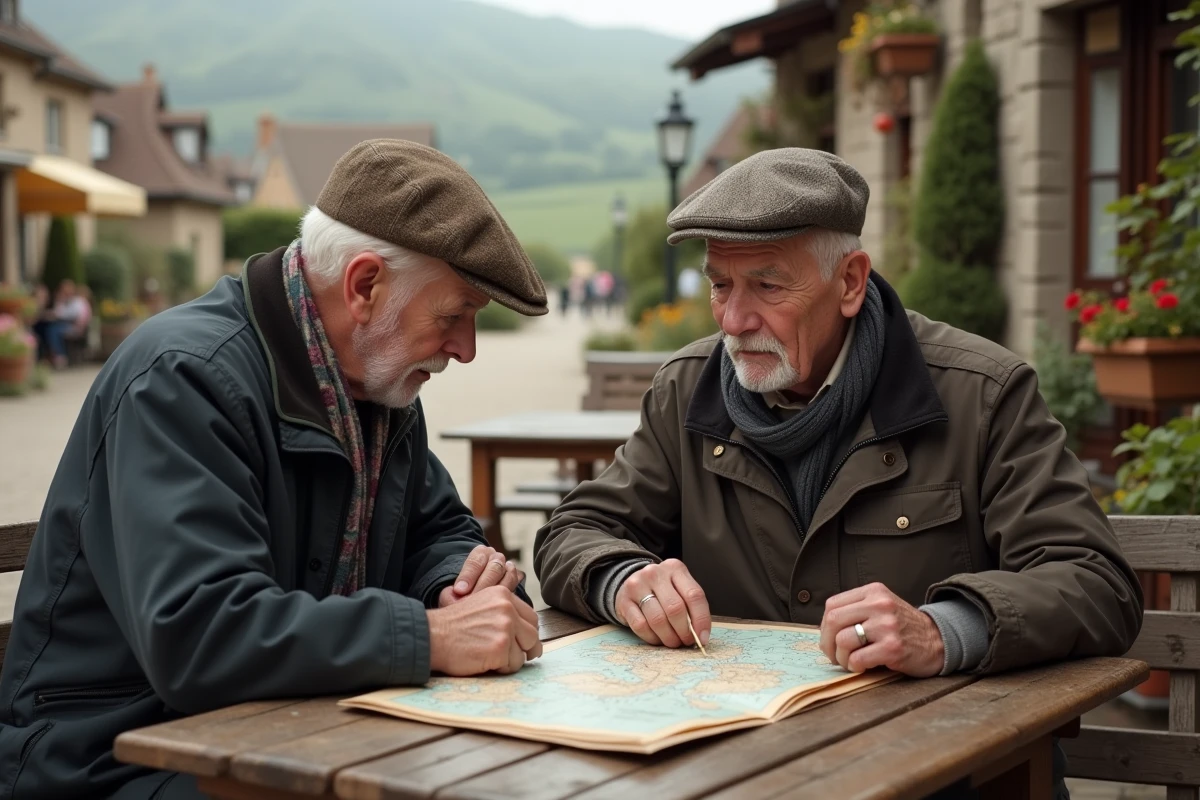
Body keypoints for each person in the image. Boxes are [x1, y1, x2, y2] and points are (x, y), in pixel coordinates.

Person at [534, 148, 1142, 797]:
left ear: (850, 282)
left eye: (767, 287)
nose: (734, 320)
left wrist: (943, 630)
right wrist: (624, 579)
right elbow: (575, 531)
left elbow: (1097, 583)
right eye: (720, 286)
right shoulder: (685, 391)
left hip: (948, 776)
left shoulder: (983, 393)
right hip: (744, 776)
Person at [1, 140, 550, 799]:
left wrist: (458, 586)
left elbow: (438, 531)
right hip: (115, 760)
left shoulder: (377, 384)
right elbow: (200, 635)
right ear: (364, 286)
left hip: (286, 732)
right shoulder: (182, 379)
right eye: (454, 315)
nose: (465, 349)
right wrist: (428, 637)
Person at [32, 278, 91, 368]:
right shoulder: (67, 301)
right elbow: (59, 312)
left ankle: (60, 356)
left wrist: (58, 311)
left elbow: (69, 315)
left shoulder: (77, 301)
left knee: (53, 330)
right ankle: (48, 355)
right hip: (69, 326)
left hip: (75, 329)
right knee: (45, 329)